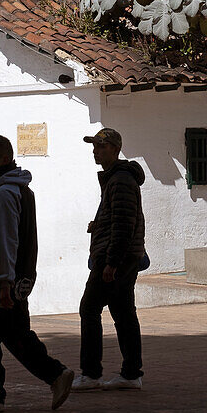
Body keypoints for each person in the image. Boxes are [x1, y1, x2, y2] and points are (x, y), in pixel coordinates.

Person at [0, 135, 74, 413]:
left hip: (1, 284)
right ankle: (56, 375)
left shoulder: (4, 194)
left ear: (4, 159)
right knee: (17, 335)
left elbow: (6, 240)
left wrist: (3, 281)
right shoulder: (24, 191)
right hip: (21, 282)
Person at [72, 128, 146, 392]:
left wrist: (111, 263)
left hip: (115, 258)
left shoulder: (121, 180)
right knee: (124, 314)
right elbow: (117, 217)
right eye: (95, 146)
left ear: (115, 149)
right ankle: (131, 374)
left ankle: (91, 373)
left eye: (101, 146)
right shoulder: (115, 179)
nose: (96, 150)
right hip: (122, 256)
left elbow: (125, 223)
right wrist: (99, 224)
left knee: (89, 308)